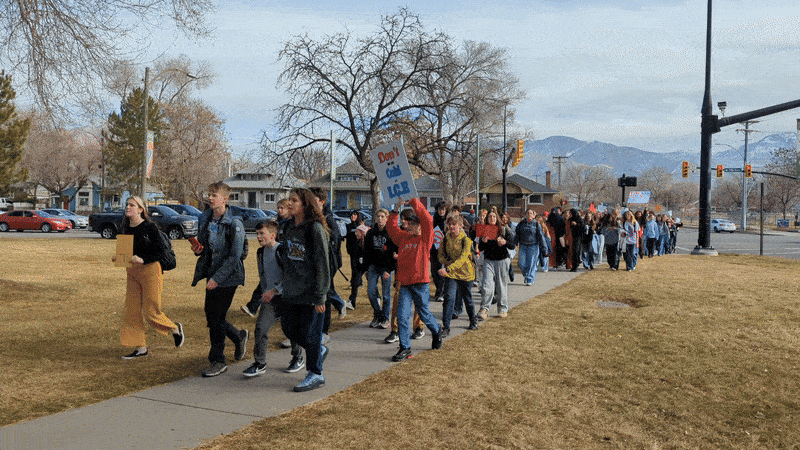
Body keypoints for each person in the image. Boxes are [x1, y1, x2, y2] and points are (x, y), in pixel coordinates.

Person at [115, 196, 184, 359]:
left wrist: (144, 259)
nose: (128, 207)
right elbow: (124, 255)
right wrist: (118, 257)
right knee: (131, 311)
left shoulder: (150, 227)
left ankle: (174, 328)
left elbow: (161, 251)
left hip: (151, 270)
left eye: (132, 205)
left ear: (140, 210)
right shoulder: (125, 227)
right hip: (132, 272)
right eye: (127, 205)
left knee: (150, 311)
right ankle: (141, 348)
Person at [191, 182, 249, 378]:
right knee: (211, 316)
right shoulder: (205, 218)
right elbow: (206, 248)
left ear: (224, 199)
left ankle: (218, 360)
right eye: (209, 194)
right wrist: (199, 250)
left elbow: (235, 256)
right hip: (212, 274)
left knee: (215, 318)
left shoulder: (235, 223)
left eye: (214, 195)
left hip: (229, 276)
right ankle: (238, 336)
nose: (210, 198)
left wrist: (217, 278)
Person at [279, 188, 331, 392]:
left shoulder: (315, 228)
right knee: (290, 329)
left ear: (305, 204)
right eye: (289, 200)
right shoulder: (290, 226)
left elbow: (322, 264)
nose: (289, 203)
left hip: (311, 293)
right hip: (292, 291)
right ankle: (318, 350)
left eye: (294, 200)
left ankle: (316, 374)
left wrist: (320, 297)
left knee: (311, 334)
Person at [242, 220, 305, 376]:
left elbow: (292, 275)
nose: (258, 237)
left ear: (273, 235)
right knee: (261, 328)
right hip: (271, 300)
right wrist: (265, 293)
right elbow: (264, 276)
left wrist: (276, 290)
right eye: (257, 234)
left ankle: (298, 357)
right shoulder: (260, 252)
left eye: (262, 233)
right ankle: (260, 363)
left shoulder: (282, 250)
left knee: (291, 330)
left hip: (288, 298)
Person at [386, 198, 443, 361]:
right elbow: (391, 228)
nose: (406, 225)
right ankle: (405, 348)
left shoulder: (425, 239)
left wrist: (414, 202)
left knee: (424, 314)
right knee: (402, 316)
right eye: (405, 223)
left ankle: (437, 330)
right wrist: (395, 211)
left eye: (410, 223)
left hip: (420, 283)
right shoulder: (402, 238)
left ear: (418, 225)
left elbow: (427, 220)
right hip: (404, 283)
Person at [309, 188, 346, 343]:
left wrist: (329, 264)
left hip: (328, 264)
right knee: (318, 295)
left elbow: (335, 241)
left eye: (314, 200)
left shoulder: (328, 219)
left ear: (322, 202)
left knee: (325, 295)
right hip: (314, 264)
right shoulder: (311, 217)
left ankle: (325, 330)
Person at [438, 212, 478, 334]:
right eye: (449, 224)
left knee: (467, 298)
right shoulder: (445, 239)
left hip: (466, 274)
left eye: (454, 225)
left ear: (460, 226)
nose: (451, 227)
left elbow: (462, 259)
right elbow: (440, 255)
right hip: (452, 274)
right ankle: (446, 326)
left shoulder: (466, 240)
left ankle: (473, 320)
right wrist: (445, 262)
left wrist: (448, 268)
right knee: (449, 298)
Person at [476, 211, 515, 320]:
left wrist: (504, 242)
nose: (492, 218)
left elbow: (512, 245)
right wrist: (483, 241)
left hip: (502, 260)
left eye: (494, 216)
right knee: (486, 285)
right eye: (490, 216)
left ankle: (502, 308)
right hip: (489, 260)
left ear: (497, 218)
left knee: (501, 285)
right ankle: (484, 309)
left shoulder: (503, 229)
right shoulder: (484, 229)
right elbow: (481, 248)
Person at [363, 208, 397, 329]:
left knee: (386, 295)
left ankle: (385, 318)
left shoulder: (391, 233)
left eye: (383, 217)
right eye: (378, 217)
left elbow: (394, 252)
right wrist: (366, 268)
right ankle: (377, 315)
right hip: (373, 266)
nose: (380, 219)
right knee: (371, 292)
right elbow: (366, 252)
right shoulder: (371, 233)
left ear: (387, 219)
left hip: (386, 268)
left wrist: (389, 269)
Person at [515, 208, 544, 286]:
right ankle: (526, 274)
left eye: (531, 213)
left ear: (534, 215)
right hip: (523, 246)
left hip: (533, 246)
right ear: (525, 215)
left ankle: (530, 279)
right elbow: (517, 234)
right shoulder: (521, 224)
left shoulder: (536, 224)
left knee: (531, 263)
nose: (529, 215)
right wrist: (515, 242)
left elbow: (541, 236)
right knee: (521, 264)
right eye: (528, 213)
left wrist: (544, 247)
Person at [344, 210, 366, 309]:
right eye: (352, 214)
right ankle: (352, 301)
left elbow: (364, 241)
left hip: (362, 256)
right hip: (353, 254)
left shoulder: (362, 226)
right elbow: (348, 239)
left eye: (355, 214)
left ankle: (377, 297)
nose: (353, 216)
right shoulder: (348, 226)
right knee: (355, 277)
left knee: (367, 277)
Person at [430, 201, 448, 302]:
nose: (442, 211)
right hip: (434, 249)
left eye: (444, 209)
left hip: (445, 250)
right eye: (440, 209)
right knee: (434, 272)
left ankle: (441, 292)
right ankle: (439, 290)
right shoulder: (433, 220)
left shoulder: (447, 221)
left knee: (442, 271)